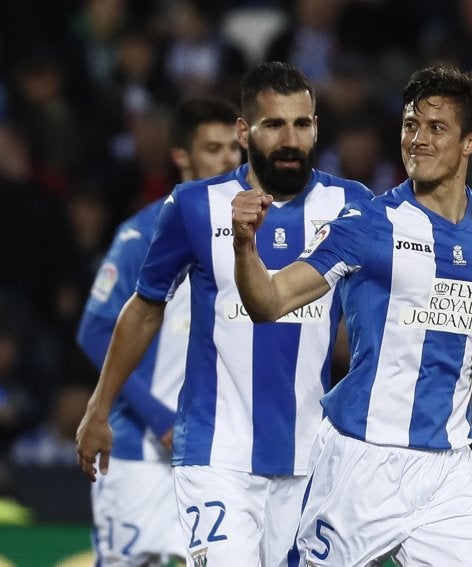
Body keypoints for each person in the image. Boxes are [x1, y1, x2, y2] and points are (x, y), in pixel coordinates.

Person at [75, 62, 375, 567]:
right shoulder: (193, 206)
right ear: (245, 131)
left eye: (302, 124)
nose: (290, 138)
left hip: (310, 457)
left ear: (316, 127)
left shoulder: (351, 205)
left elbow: (399, 291)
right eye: (275, 125)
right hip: (216, 452)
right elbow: (145, 306)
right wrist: (98, 407)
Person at [231, 65, 472, 566]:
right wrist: (244, 246)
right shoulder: (366, 225)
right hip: (360, 461)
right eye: (410, 126)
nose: (418, 140)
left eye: (436, 128)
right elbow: (268, 302)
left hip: (450, 471)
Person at [75, 96, 242, 566]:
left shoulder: (258, 235)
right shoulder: (143, 233)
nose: (228, 159)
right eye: (213, 148)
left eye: (234, 147)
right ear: (181, 156)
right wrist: (160, 418)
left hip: (217, 453)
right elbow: (93, 332)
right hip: (138, 454)